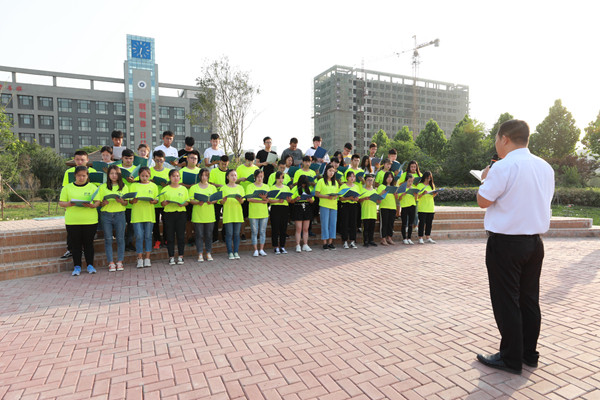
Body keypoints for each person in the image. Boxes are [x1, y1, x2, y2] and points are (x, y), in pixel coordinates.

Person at [475, 119, 554, 375]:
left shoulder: (503, 166)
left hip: (506, 243)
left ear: (505, 138)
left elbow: (483, 201)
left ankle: (510, 357)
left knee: (507, 300)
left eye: (497, 139)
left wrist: (484, 178)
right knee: (529, 299)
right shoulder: (545, 167)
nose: (496, 144)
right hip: (534, 243)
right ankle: (529, 354)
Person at [58, 166, 100, 276]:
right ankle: (77, 267)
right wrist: (68, 204)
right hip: (73, 221)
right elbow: (61, 202)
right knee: (75, 245)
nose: (81, 178)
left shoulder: (93, 187)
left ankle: (90, 265)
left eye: (84, 176)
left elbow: (97, 202)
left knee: (88, 244)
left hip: (90, 220)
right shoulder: (67, 188)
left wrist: (92, 205)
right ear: (75, 176)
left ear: (87, 176)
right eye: (79, 175)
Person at [60, 150, 97, 260]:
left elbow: (97, 188)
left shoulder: (93, 171)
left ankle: (88, 256)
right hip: (74, 208)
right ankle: (71, 250)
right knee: (73, 234)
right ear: (74, 160)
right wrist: (67, 204)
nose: (80, 162)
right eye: (77, 159)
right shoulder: (69, 172)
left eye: (82, 159)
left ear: (87, 160)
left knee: (88, 236)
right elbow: (66, 188)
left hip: (89, 205)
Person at [97, 165, 129, 272]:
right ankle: (110, 262)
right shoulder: (102, 187)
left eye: (116, 173)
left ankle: (120, 261)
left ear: (119, 175)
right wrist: (103, 203)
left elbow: (126, 203)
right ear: (108, 175)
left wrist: (121, 201)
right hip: (106, 215)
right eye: (111, 173)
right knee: (108, 239)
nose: (114, 176)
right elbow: (99, 203)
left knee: (120, 238)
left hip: (120, 214)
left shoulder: (124, 186)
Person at [130, 167, 159, 268]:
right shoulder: (133, 185)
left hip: (149, 215)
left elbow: (156, 200)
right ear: (139, 175)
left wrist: (153, 201)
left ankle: (147, 258)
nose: (144, 178)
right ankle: (139, 258)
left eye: (147, 176)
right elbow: (130, 200)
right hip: (137, 215)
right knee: (139, 236)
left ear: (150, 176)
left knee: (148, 236)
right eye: (142, 175)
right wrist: (134, 200)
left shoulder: (153, 186)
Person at [160, 169, 189, 265]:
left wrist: (183, 204)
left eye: (177, 176)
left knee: (181, 236)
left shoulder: (183, 189)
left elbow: (187, 201)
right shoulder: (165, 189)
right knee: (170, 236)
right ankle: (171, 257)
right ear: (169, 177)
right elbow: (162, 203)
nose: (176, 178)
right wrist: (165, 202)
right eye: (173, 176)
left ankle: (181, 256)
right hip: (169, 214)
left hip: (180, 213)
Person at [188, 168, 217, 262]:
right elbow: (190, 200)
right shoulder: (194, 187)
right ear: (199, 176)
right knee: (199, 235)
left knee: (209, 235)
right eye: (203, 175)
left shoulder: (212, 187)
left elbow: (216, 199)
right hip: (198, 215)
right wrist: (197, 202)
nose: (204, 177)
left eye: (206, 175)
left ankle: (208, 253)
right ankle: (200, 253)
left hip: (209, 215)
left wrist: (211, 201)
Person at [221, 169, 246, 260]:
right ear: (227, 177)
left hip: (237, 213)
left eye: (235, 175)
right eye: (232, 175)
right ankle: (230, 252)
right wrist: (223, 201)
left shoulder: (240, 188)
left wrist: (240, 200)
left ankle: (236, 251)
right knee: (229, 233)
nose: (234, 177)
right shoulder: (223, 188)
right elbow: (221, 202)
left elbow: (242, 201)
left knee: (236, 234)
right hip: (228, 213)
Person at [245, 169, 271, 257]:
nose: (260, 179)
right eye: (258, 177)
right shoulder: (250, 186)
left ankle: (261, 249)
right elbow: (249, 199)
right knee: (254, 231)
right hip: (253, 212)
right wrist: (261, 201)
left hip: (264, 212)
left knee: (263, 231)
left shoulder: (266, 186)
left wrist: (264, 199)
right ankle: (255, 249)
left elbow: (268, 199)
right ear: (255, 177)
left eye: (261, 177)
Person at [315, 164, 339, 250]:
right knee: (325, 224)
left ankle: (330, 242)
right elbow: (317, 193)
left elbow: (337, 194)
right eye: (330, 171)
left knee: (333, 224)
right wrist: (326, 196)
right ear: (326, 171)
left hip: (334, 206)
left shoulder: (335, 182)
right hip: (324, 205)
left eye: (333, 171)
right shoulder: (321, 181)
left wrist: (336, 196)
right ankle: (325, 243)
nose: (331, 173)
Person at [236, 152, 259, 241]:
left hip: (254, 196)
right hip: (243, 195)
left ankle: (255, 233)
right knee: (243, 216)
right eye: (248, 161)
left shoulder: (256, 168)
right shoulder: (240, 168)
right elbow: (235, 181)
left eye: (252, 161)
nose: (250, 163)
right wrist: (240, 179)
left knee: (254, 215)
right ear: (245, 159)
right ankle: (242, 233)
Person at [150, 150, 170, 249]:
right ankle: (157, 240)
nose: (159, 163)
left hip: (165, 201)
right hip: (154, 201)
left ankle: (166, 239)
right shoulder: (149, 171)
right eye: (157, 160)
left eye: (161, 161)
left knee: (166, 222)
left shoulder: (167, 171)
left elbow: (171, 185)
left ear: (164, 160)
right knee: (155, 223)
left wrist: (165, 185)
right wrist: (151, 181)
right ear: (153, 159)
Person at [289, 175, 314, 252]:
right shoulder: (295, 189)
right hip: (298, 207)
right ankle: (298, 245)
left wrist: (309, 199)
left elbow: (313, 201)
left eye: (305, 183)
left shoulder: (309, 189)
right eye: (302, 183)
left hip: (307, 207)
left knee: (305, 228)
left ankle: (305, 244)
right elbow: (290, 200)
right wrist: (296, 199)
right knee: (298, 228)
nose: (303, 185)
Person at [269, 171, 292, 254]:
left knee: (283, 227)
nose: (280, 180)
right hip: (275, 208)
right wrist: (278, 200)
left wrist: (289, 199)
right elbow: (269, 200)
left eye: (282, 178)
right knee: (275, 227)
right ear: (276, 178)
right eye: (279, 178)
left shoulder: (286, 188)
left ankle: (282, 246)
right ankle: (275, 247)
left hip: (285, 208)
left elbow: (290, 199)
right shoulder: (272, 188)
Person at [120, 149, 138, 251]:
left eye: (130, 158)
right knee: (122, 225)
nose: (128, 160)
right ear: (122, 158)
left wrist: (134, 180)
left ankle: (129, 243)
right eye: (126, 158)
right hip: (121, 201)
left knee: (131, 225)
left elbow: (142, 181)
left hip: (132, 202)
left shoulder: (137, 169)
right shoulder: (118, 169)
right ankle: (122, 244)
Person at [209, 155, 229, 242]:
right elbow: (210, 183)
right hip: (216, 197)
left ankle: (224, 236)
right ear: (219, 162)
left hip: (227, 198)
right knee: (216, 218)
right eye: (222, 164)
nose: (224, 166)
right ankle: (215, 237)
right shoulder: (213, 171)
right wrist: (220, 186)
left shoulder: (230, 172)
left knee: (226, 218)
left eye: (225, 164)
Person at [339, 171, 360, 249]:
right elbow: (340, 198)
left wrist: (356, 199)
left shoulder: (357, 187)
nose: (352, 178)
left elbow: (358, 198)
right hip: (345, 205)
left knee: (353, 223)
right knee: (345, 223)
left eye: (353, 176)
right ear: (347, 177)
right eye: (350, 176)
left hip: (354, 206)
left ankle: (352, 241)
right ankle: (344, 241)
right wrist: (349, 198)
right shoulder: (343, 186)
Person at [416, 171, 438, 244]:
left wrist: (435, 194)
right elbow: (417, 197)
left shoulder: (431, 185)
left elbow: (432, 196)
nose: (428, 180)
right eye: (427, 178)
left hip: (430, 207)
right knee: (422, 223)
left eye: (430, 178)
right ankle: (420, 238)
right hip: (422, 207)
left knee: (429, 223)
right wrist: (422, 193)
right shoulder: (419, 185)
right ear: (424, 178)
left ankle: (428, 237)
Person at [377, 171, 398, 245]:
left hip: (392, 207)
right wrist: (382, 193)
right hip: (384, 207)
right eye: (388, 177)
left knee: (390, 224)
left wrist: (395, 194)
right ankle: (383, 239)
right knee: (384, 223)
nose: (390, 179)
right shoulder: (381, 186)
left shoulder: (394, 187)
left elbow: (396, 197)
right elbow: (378, 197)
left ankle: (389, 238)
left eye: (391, 177)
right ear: (385, 178)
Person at [358, 174, 379, 247]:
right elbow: (359, 200)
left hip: (373, 212)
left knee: (372, 228)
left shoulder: (374, 191)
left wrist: (379, 201)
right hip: (366, 211)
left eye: (371, 180)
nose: (370, 182)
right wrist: (364, 198)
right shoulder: (362, 190)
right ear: (365, 181)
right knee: (366, 228)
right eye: (368, 180)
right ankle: (365, 241)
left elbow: (377, 201)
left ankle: (371, 240)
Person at [399, 173, 418, 245]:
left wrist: (415, 195)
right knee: (404, 223)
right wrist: (403, 194)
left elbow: (416, 199)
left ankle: (409, 238)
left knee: (411, 223)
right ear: (406, 181)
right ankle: (404, 238)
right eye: (409, 181)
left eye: (411, 181)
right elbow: (399, 198)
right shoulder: (402, 188)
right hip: (404, 206)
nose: (410, 183)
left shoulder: (413, 188)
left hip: (412, 206)